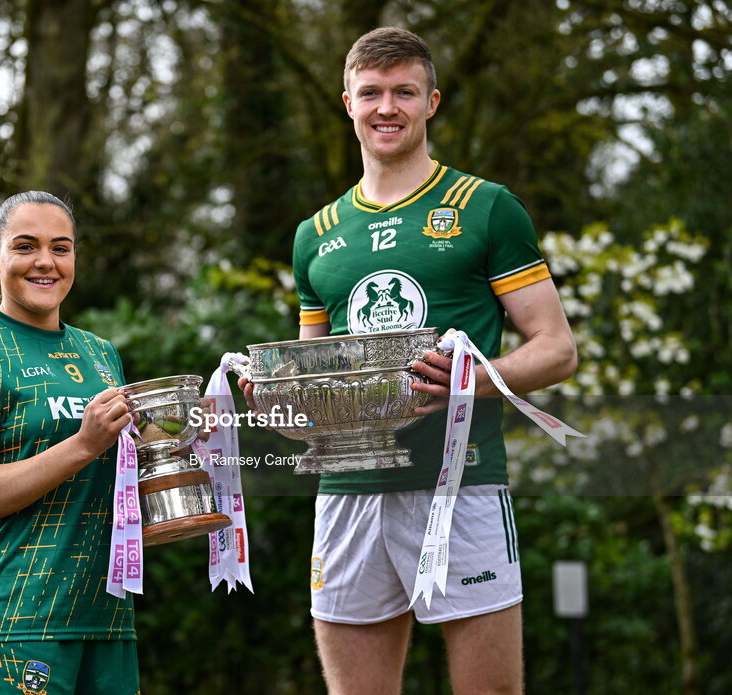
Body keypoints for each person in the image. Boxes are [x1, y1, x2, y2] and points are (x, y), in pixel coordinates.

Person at [243, 28, 577, 694]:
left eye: (403, 91)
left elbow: (556, 348)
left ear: (432, 101)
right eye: (371, 93)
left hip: (463, 484)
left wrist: (473, 382)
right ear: (348, 102)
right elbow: (318, 397)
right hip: (348, 494)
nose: (386, 107)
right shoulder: (317, 234)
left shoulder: (486, 208)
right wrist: (278, 403)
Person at [0, 191, 140, 695]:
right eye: (26, 246)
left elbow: (120, 478)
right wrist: (83, 445)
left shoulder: (100, 353)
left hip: (107, 620)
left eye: (60, 248)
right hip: (12, 623)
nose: (45, 261)